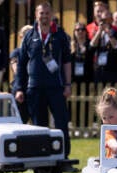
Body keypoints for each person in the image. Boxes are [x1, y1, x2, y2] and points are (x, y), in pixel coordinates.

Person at [14, 2, 73, 164]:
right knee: (39, 125)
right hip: (35, 88)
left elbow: (67, 61)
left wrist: (68, 85)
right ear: (36, 15)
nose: (44, 16)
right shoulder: (29, 35)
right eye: (41, 13)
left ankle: (63, 155)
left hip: (56, 87)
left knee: (61, 122)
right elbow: (21, 64)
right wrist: (19, 88)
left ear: (51, 14)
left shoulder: (60, 35)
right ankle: (42, 157)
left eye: (47, 13)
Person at [90, 10, 117, 84]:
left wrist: (109, 33)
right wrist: (99, 32)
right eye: (102, 20)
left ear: (111, 20)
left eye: (106, 20)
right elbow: (91, 47)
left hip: (112, 70)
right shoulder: (97, 34)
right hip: (99, 70)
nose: (104, 22)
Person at [9, 24, 33, 124]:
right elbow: (16, 70)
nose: (28, 36)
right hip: (20, 88)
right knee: (20, 119)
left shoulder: (35, 52)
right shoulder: (16, 52)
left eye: (30, 34)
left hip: (32, 87)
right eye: (25, 34)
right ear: (20, 36)